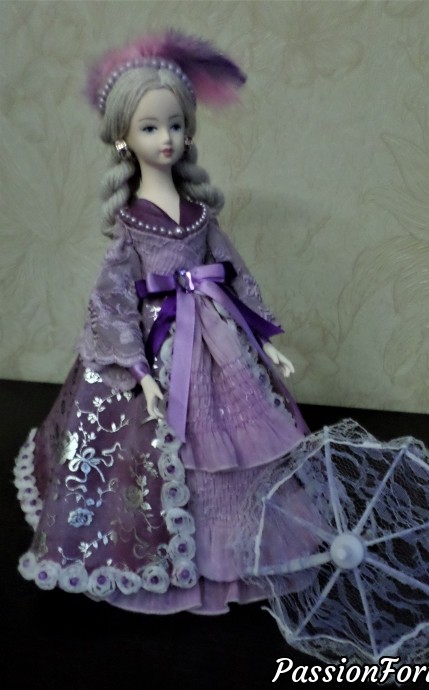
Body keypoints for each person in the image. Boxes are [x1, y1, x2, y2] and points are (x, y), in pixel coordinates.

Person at [14, 30, 314, 614]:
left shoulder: (200, 213)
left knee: (237, 443)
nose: (167, 138)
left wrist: (263, 338)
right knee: (154, 453)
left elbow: (232, 271)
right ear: (123, 138)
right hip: (161, 344)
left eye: (175, 125)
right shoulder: (132, 222)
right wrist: (138, 371)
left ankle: (234, 550)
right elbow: (112, 298)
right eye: (150, 127)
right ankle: (169, 552)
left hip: (219, 340)